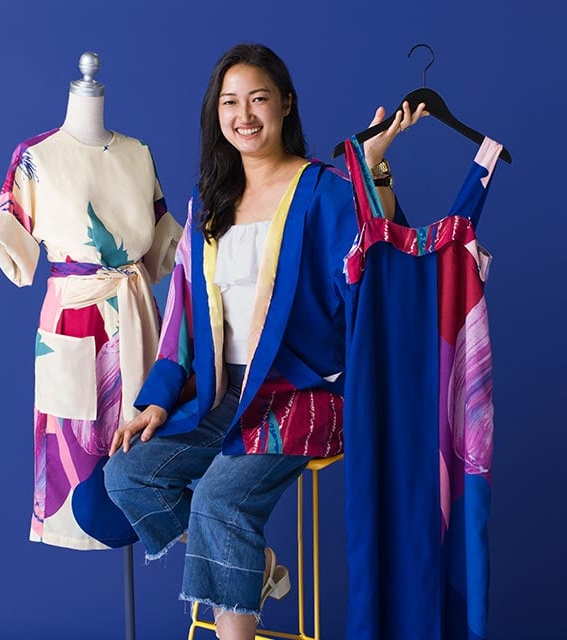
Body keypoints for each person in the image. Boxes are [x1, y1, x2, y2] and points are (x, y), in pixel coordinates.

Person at [104, 43, 427, 640]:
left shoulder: (325, 190)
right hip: (225, 396)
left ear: (285, 106)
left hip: (302, 394)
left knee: (219, 504)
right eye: (230, 102)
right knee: (127, 475)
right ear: (216, 114)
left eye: (258, 99)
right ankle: (259, 570)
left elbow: (383, 271)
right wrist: (157, 397)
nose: (244, 114)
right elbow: (185, 322)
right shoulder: (209, 207)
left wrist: (373, 174)